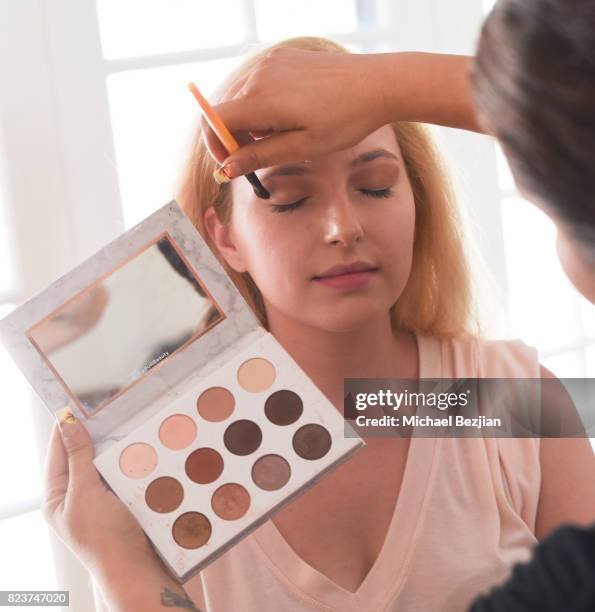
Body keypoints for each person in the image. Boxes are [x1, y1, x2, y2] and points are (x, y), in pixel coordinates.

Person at [42, 36, 595, 612]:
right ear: (224, 237)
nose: (343, 227)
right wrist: (117, 563)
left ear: (418, 201)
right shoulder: (165, 472)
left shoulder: (516, 399)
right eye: (289, 198)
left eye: (375, 186)